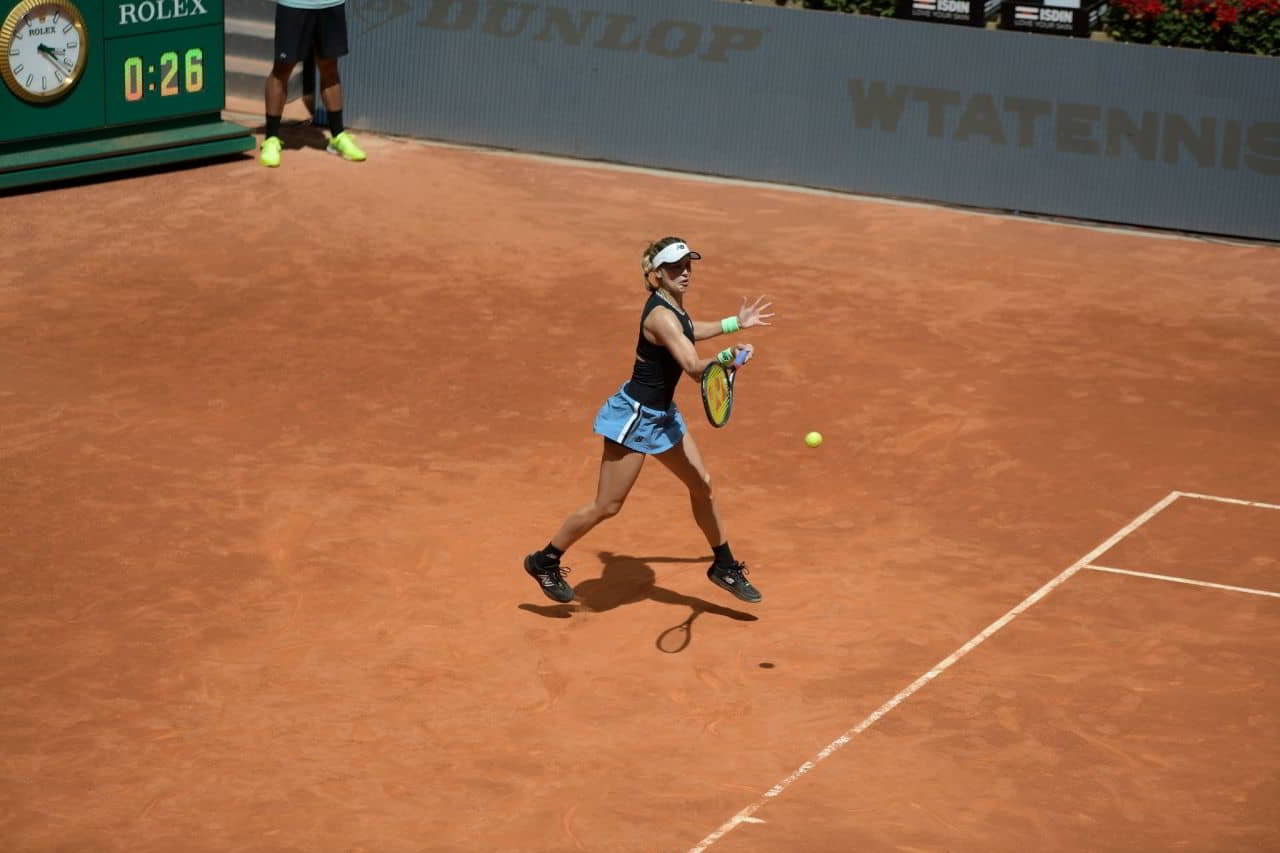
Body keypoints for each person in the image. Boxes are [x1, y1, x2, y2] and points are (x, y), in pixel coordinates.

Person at [523, 237, 774, 605]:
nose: (685, 273)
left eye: (688, 265)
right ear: (657, 275)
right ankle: (544, 560)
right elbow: (692, 367)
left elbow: (689, 329)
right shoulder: (659, 316)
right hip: (634, 420)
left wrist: (735, 322)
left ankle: (723, 564)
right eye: (675, 268)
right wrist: (728, 358)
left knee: (702, 485)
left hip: (663, 415)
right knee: (607, 506)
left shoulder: (674, 306)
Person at [260, 0, 365, 168]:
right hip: (294, 4)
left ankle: (337, 136)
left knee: (329, 66)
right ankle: (271, 138)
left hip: (331, 3)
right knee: (283, 68)